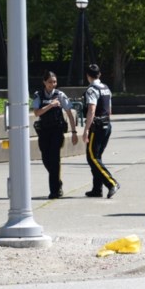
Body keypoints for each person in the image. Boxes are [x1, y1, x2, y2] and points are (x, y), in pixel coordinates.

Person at [32, 71, 78, 199]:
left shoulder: (60, 95)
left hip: (57, 131)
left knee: (55, 159)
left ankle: (54, 191)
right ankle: (58, 182)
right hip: (44, 131)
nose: (53, 84)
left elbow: (69, 113)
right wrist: (50, 105)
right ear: (44, 82)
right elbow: (37, 113)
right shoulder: (38, 95)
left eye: (55, 82)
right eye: (50, 82)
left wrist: (74, 132)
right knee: (46, 159)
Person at [82, 64, 120, 198]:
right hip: (106, 125)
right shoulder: (106, 88)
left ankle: (111, 183)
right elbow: (109, 110)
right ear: (100, 74)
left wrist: (86, 129)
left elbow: (91, 109)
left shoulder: (92, 90)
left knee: (92, 157)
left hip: (96, 126)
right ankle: (97, 189)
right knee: (97, 157)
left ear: (88, 76)